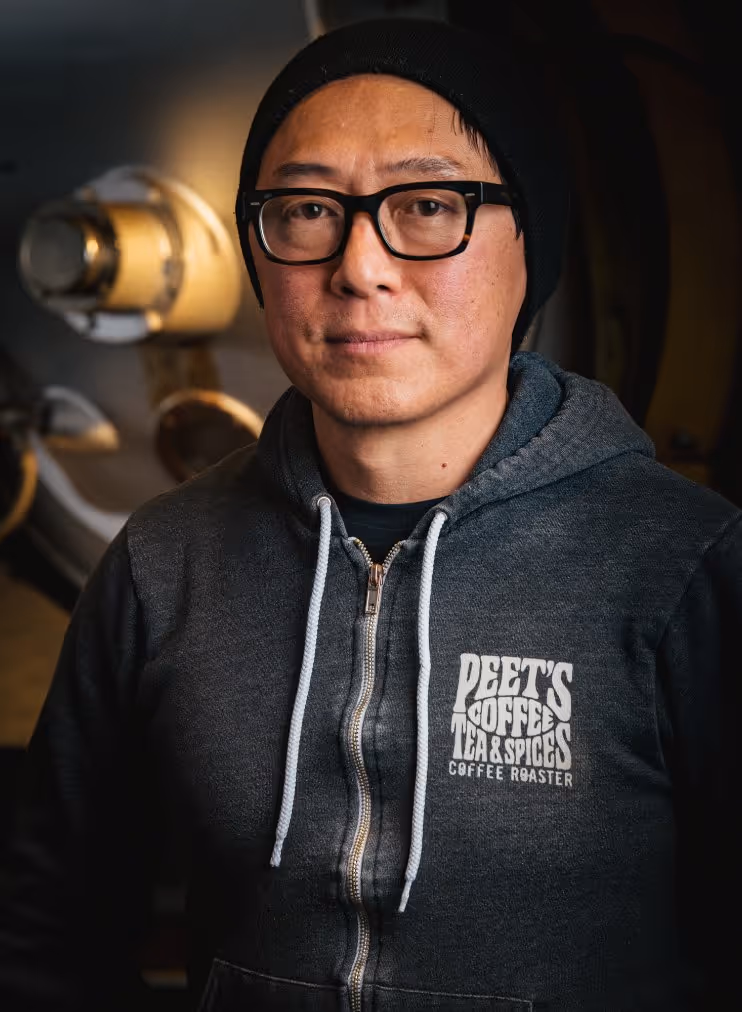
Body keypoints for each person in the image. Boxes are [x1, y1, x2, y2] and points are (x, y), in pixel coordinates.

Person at [1, 16, 740, 1011]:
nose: (359, 266)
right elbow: (45, 928)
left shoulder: (681, 567)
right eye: (306, 210)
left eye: (429, 204)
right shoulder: (164, 563)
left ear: (533, 242)